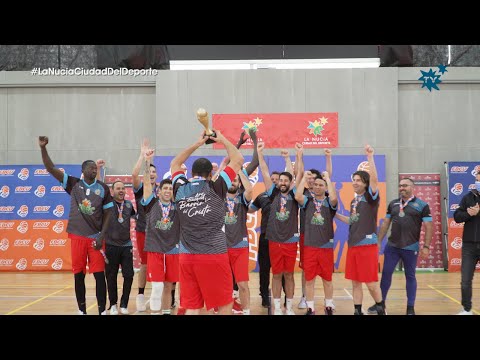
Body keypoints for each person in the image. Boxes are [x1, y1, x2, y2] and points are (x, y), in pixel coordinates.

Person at [170, 129, 244, 315]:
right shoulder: (216, 186)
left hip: (186, 257)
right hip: (213, 256)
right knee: (225, 303)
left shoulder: (179, 187)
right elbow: (238, 160)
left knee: (192, 307)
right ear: (211, 174)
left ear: (192, 172)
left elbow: (175, 163)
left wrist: (198, 143)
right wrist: (222, 139)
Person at [38, 136, 113, 315]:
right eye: (91, 168)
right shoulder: (73, 183)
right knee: (78, 275)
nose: (94, 170)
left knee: (99, 275)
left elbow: (109, 213)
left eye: (96, 168)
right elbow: (50, 168)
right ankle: (82, 310)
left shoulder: (103, 188)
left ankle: (102, 310)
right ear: (83, 170)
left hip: (95, 238)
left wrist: (102, 235)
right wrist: (43, 148)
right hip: (77, 237)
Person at [366, 177, 432, 315]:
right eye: (400, 186)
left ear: (412, 187)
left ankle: (410, 308)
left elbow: (428, 226)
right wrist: (378, 241)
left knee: (410, 276)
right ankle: (380, 304)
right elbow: (385, 223)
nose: (402, 188)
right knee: (386, 275)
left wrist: (426, 246)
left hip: (411, 247)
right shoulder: (393, 204)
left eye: (405, 186)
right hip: (392, 247)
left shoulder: (422, 205)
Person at [336, 145, 385, 315]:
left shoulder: (370, 198)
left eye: (358, 180)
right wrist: (335, 215)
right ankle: (357, 311)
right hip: (354, 246)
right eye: (353, 180)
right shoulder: (354, 202)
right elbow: (352, 220)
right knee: (355, 282)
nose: (354, 182)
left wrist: (370, 156)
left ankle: (380, 307)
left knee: (371, 283)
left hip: (367, 246)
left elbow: (375, 181)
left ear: (365, 183)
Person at [257, 142, 303, 315]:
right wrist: (260, 153)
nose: (282, 182)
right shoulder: (272, 193)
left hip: (291, 241)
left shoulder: (294, 194)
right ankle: (276, 307)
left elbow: (297, 173)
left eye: (286, 180)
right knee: (276, 275)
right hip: (274, 241)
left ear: (290, 183)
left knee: (289, 275)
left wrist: (297, 156)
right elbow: (264, 171)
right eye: (280, 180)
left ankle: (289, 307)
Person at [142, 147, 181, 315]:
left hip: (172, 250)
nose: (167, 191)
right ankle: (156, 312)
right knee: (157, 286)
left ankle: (165, 311)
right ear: (158, 192)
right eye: (165, 189)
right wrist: (147, 161)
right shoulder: (151, 204)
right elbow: (145, 182)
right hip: (155, 249)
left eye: (170, 189)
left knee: (168, 285)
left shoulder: (178, 208)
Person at [295, 170, 337, 315]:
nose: (318, 187)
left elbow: (333, 197)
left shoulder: (330, 203)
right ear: (312, 187)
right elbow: (297, 196)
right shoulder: (308, 202)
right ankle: (310, 307)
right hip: (310, 246)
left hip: (326, 246)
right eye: (316, 185)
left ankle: (329, 305)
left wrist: (327, 179)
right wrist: (304, 178)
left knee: (327, 279)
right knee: (309, 279)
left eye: (321, 185)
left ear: (325, 188)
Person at [132, 139, 158, 312]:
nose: (152, 173)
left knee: (160, 264)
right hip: (143, 231)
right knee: (145, 264)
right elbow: (134, 176)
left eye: (154, 171)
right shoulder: (140, 189)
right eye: (149, 171)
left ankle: (160, 296)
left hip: (160, 234)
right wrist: (143, 157)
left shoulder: (164, 189)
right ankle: (140, 295)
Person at [105, 180, 136, 315]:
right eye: (118, 188)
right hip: (111, 246)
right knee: (111, 276)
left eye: (123, 188)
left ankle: (124, 303)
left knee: (129, 275)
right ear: (112, 191)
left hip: (126, 246)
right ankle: (113, 304)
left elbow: (138, 217)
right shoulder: (107, 204)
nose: (121, 190)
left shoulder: (128, 205)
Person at [225, 170, 253, 314]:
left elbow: (250, 190)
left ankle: (246, 310)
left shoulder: (242, 199)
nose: (232, 182)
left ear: (238, 183)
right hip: (222, 248)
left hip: (239, 246)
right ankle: (226, 307)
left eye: (235, 180)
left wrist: (240, 171)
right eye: (230, 180)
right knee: (223, 284)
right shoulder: (218, 198)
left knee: (242, 283)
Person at [453, 169, 480, 315]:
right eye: (477, 180)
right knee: (465, 280)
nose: (478, 182)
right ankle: (466, 309)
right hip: (469, 246)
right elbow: (457, 216)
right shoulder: (468, 197)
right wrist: (469, 213)